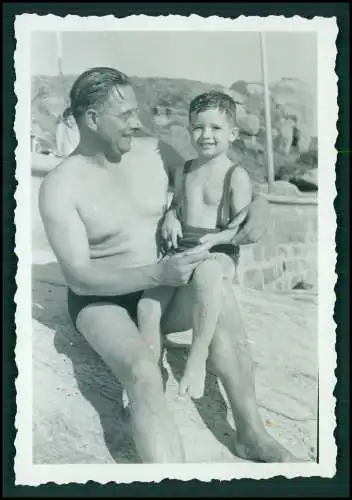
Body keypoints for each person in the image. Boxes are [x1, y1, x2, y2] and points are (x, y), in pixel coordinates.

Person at [39, 67, 298, 463]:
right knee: (144, 373)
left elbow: (213, 174)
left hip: (163, 290)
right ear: (92, 119)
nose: (136, 122)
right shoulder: (61, 184)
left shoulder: (153, 152)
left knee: (220, 300)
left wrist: (259, 202)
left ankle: (251, 432)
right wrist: (156, 274)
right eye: (125, 115)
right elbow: (80, 277)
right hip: (103, 302)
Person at [136, 91, 252, 400]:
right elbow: (177, 205)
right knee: (148, 306)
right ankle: (151, 374)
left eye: (215, 128)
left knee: (207, 276)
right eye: (198, 127)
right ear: (190, 130)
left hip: (218, 252)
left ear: (233, 133)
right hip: (182, 249)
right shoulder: (184, 171)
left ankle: (198, 358)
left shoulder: (236, 176)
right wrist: (171, 216)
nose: (206, 135)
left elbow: (240, 229)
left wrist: (216, 239)